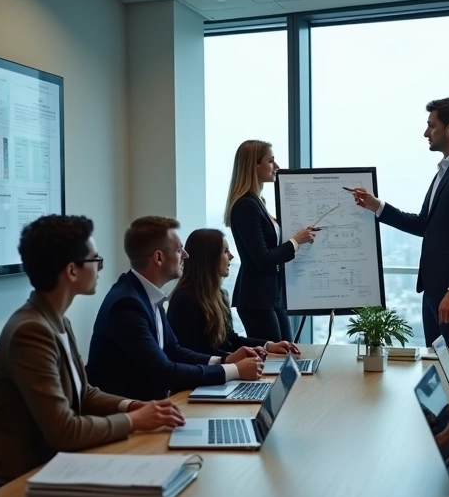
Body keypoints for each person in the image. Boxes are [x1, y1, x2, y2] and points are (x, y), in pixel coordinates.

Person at [0, 215, 184, 480]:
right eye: (95, 259)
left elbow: (86, 393)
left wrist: (133, 407)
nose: (100, 267)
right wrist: (134, 421)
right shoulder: (31, 331)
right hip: (16, 472)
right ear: (71, 271)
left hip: (48, 456)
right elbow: (64, 432)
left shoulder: (56, 319)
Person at [351, 98, 449, 349]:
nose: (426, 133)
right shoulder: (444, 171)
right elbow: (423, 224)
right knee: (437, 364)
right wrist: (377, 206)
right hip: (434, 289)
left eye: (431, 126)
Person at [85, 216, 263, 402]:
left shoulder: (145, 294)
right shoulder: (127, 305)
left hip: (154, 409)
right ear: (159, 258)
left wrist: (225, 360)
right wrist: (234, 370)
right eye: (179, 250)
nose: (186, 255)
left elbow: (173, 350)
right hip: (129, 419)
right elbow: (166, 372)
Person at [225, 140, 316, 342]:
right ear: (254, 165)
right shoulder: (245, 206)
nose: (277, 167)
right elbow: (263, 258)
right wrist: (295, 241)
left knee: (286, 352)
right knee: (275, 359)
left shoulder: (258, 203)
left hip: (270, 296)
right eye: (271, 161)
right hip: (256, 299)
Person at [167, 228, 301, 357]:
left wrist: (268, 345)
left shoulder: (219, 295)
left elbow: (230, 340)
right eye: (225, 251)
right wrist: (231, 361)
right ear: (209, 258)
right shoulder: (184, 300)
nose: (231, 256)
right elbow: (191, 353)